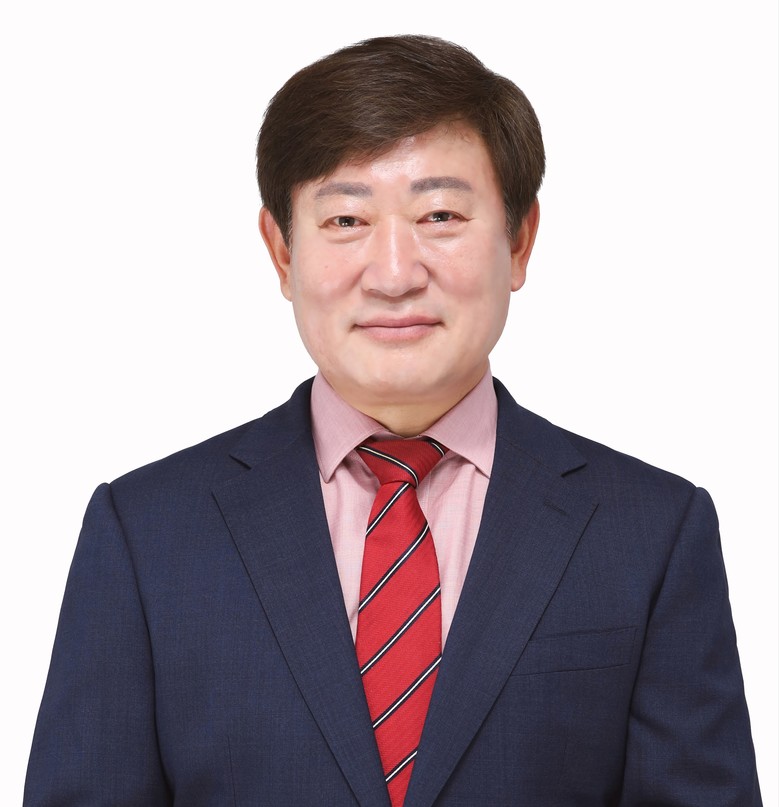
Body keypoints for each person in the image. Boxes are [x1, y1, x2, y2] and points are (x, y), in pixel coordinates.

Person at [24, 34, 761, 806]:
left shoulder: (650, 532)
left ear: (518, 240)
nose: (394, 273)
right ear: (281, 251)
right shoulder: (147, 534)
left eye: (439, 214)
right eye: (346, 220)